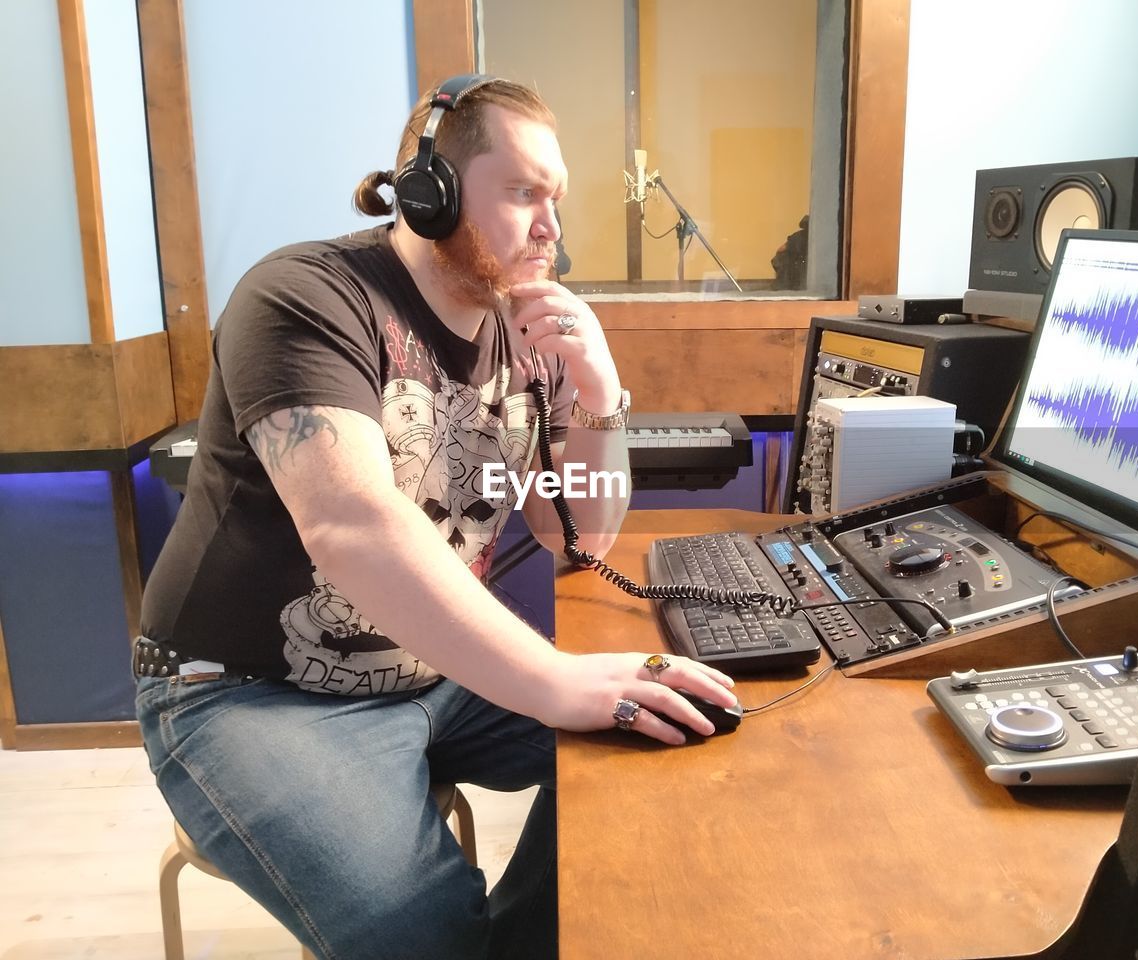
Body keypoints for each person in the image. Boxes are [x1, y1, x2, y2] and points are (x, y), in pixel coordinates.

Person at [134, 75, 738, 960]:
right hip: (246, 694)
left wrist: (601, 389)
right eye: (524, 192)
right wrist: (557, 683)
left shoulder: (522, 337)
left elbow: (583, 538)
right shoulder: (305, 294)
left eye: (556, 200)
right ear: (433, 192)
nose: (552, 228)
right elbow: (351, 524)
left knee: (679, 721)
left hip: (436, 681)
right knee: (421, 934)